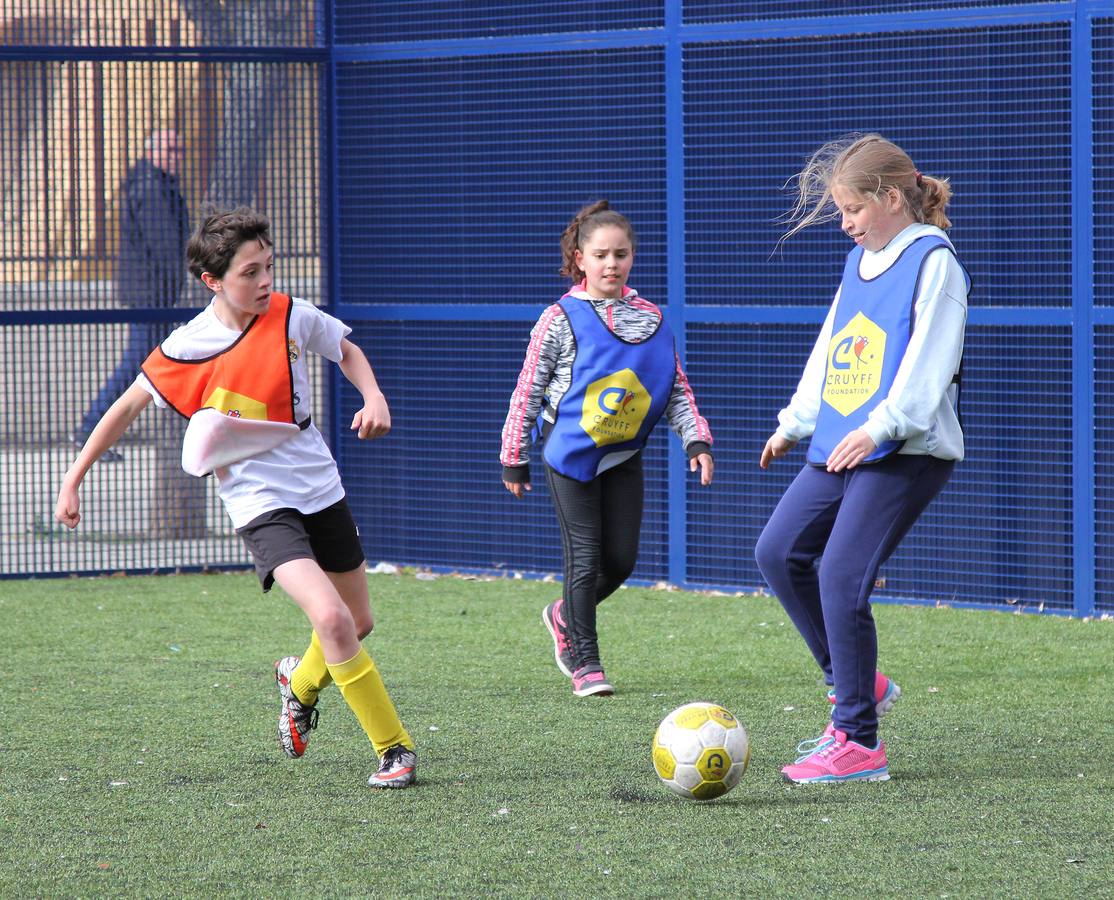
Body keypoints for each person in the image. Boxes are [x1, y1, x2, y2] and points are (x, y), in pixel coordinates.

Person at [55, 207, 417, 789]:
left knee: (356, 620)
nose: (265, 281)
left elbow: (345, 349)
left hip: (318, 481)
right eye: (250, 272)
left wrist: (373, 396)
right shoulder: (186, 345)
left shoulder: (291, 314)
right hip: (258, 498)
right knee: (329, 617)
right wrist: (73, 479)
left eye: (268, 266)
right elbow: (123, 408)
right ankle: (394, 750)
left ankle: (298, 686)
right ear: (213, 281)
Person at [754, 134, 970, 784]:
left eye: (851, 210)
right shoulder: (858, 265)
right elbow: (833, 350)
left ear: (891, 197)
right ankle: (859, 684)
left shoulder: (936, 265)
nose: (844, 224)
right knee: (779, 552)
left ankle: (858, 741)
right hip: (843, 442)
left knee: (841, 575)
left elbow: (927, 373)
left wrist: (878, 430)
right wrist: (796, 422)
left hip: (904, 450)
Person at [501, 200, 715, 697]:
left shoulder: (653, 319)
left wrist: (696, 438)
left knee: (621, 561)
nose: (611, 264)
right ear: (580, 259)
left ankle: (562, 616)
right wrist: (514, 456)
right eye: (600, 255)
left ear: (632, 258)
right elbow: (527, 390)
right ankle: (585, 662)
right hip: (569, 453)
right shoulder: (558, 318)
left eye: (620, 254)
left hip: (622, 455)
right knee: (585, 558)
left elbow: (675, 388)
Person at [73, 129, 190, 461]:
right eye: (171, 148)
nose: (177, 155)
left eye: (181, 149)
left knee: (154, 363)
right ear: (151, 151)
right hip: (150, 295)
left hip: (156, 294)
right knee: (137, 365)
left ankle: (94, 429)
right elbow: (166, 246)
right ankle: (90, 428)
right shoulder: (151, 189)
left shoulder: (158, 185)